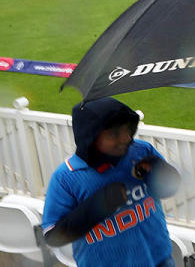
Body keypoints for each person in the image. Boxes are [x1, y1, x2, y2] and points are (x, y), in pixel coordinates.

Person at [42, 97, 181, 267]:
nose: (125, 138)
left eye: (127, 130)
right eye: (114, 133)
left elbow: (169, 189)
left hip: (160, 260)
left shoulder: (141, 151)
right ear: (90, 137)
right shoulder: (66, 177)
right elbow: (53, 236)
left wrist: (159, 171)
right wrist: (98, 206)